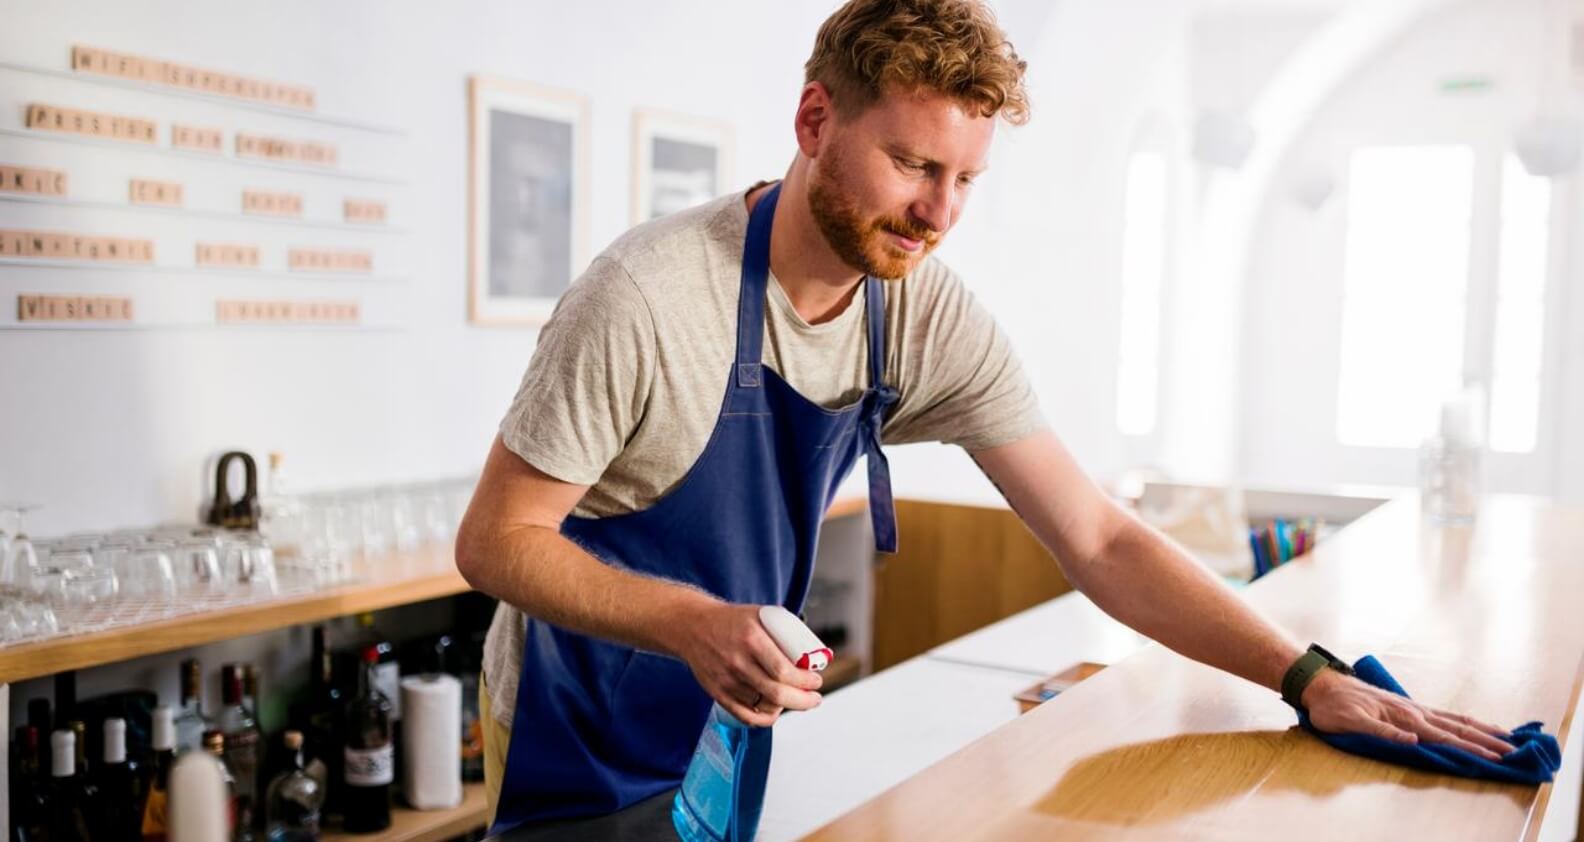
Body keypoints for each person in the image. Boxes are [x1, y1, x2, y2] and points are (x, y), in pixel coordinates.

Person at [455, 0, 1516, 832]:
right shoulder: (648, 295)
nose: (939, 213)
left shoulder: (918, 311)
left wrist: (1306, 675)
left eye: (965, 177)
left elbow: (1097, 533)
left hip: (729, 720)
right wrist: (691, 621)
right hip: (577, 724)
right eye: (914, 164)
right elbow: (496, 541)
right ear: (815, 120)